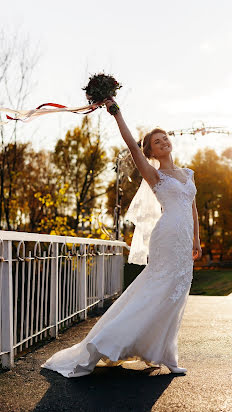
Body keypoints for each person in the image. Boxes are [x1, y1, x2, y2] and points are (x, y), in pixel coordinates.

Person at [41, 98, 202, 377]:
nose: (163, 141)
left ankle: (163, 352)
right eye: (156, 141)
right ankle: (106, 342)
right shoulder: (154, 174)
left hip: (184, 239)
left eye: (165, 138)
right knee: (156, 291)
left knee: (175, 295)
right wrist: (116, 113)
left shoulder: (187, 174)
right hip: (166, 238)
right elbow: (130, 144)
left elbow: (193, 209)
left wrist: (197, 239)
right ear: (150, 151)